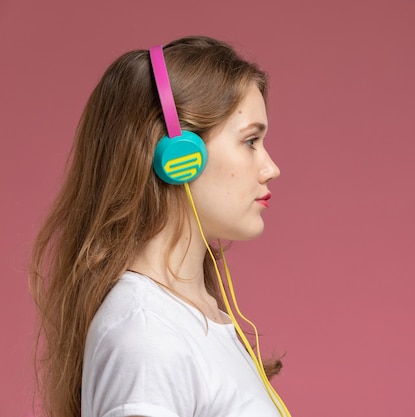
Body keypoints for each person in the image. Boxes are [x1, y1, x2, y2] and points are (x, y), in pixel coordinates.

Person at [29, 36, 290, 417]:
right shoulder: (147, 336)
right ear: (180, 155)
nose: (271, 168)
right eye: (250, 141)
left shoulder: (194, 319)